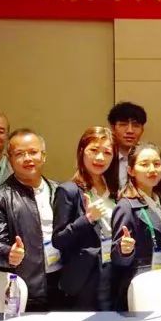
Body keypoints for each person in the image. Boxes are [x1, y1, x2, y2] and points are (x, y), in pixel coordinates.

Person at [0, 129, 61, 311]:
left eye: (33, 152)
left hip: (62, 284)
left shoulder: (59, 191)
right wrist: (8, 254)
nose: (27, 158)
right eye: (19, 154)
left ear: (43, 156)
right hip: (27, 288)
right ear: (10, 159)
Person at [52, 126, 120, 310]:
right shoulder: (69, 191)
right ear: (82, 151)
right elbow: (59, 240)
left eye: (107, 153)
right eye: (94, 150)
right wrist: (87, 219)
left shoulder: (115, 191)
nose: (100, 158)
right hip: (84, 278)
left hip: (114, 272)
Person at [111, 142, 161, 310]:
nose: (152, 169)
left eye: (157, 164)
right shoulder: (126, 206)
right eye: (144, 164)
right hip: (140, 284)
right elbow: (117, 258)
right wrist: (124, 250)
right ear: (131, 170)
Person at [107, 101, 147, 187]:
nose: (130, 131)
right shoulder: (105, 158)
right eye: (123, 124)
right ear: (113, 128)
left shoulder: (149, 159)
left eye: (136, 125)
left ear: (142, 129)